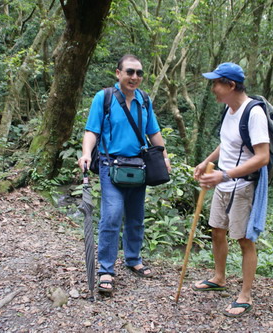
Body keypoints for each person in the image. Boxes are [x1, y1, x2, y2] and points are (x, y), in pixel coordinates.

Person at [78, 54, 171, 295]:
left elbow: (154, 132)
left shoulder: (144, 100)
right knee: (111, 215)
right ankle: (106, 269)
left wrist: (164, 157)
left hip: (138, 167)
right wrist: (86, 153)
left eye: (139, 73)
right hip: (111, 166)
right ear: (118, 73)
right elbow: (91, 130)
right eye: (130, 72)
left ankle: (133, 259)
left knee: (136, 217)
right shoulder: (105, 97)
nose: (135, 77)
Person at [192, 62, 270, 317]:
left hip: (244, 185)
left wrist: (223, 174)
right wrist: (206, 163)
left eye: (216, 83)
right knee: (217, 230)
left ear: (230, 85)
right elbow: (226, 144)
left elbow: (262, 157)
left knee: (244, 240)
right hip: (223, 182)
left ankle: (245, 295)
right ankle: (219, 277)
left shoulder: (254, 113)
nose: (213, 88)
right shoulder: (229, 109)